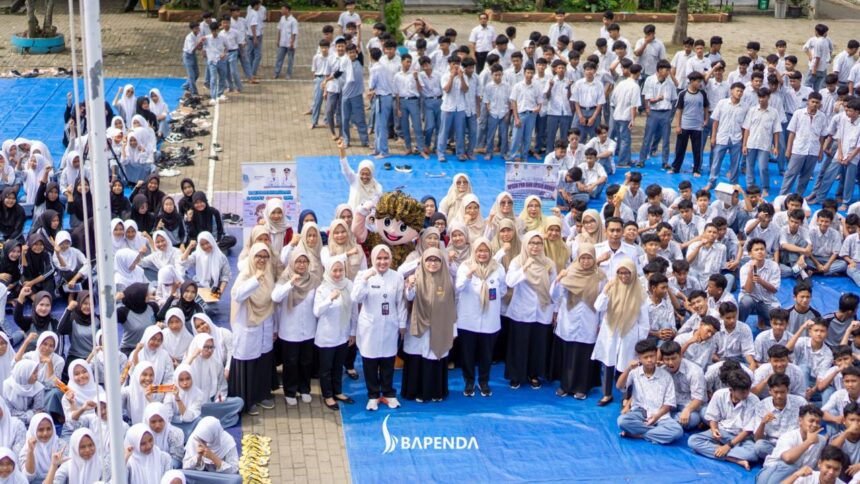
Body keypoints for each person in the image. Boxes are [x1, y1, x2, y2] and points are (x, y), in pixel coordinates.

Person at [352, 245, 406, 411]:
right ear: (373, 259)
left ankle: (388, 393)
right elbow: (356, 297)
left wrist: (402, 324)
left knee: (388, 361)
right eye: (379, 258)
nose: (382, 262)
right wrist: (364, 280)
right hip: (370, 326)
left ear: (390, 259)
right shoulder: (363, 275)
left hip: (390, 325)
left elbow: (400, 303)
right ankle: (373, 395)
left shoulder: (397, 277)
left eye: (386, 258)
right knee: (370, 362)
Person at [591, 257, 649, 406]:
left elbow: (644, 321)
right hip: (611, 331)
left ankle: (626, 397)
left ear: (633, 273)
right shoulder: (612, 288)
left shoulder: (639, 292)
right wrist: (605, 290)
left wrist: (640, 340)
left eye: (627, 273)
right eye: (620, 273)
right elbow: (598, 307)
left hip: (630, 333)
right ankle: (607, 394)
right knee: (608, 362)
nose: (623, 276)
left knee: (627, 366)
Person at [402, 248, 456, 403]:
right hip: (419, 324)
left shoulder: (447, 279)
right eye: (429, 260)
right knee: (417, 358)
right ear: (423, 261)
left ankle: (436, 392)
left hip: (440, 325)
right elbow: (409, 296)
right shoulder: (417, 276)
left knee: (435, 357)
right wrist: (410, 284)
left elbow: (451, 305)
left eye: (436, 260)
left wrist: (453, 329)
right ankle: (417, 391)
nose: (433, 263)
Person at [228, 243, 276, 416]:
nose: (262, 260)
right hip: (247, 325)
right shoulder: (246, 274)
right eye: (258, 256)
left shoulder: (268, 275)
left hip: (265, 324)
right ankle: (247, 401)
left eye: (265, 257)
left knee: (262, 363)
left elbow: (271, 300)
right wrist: (255, 279)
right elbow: (237, 295)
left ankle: (261, 395)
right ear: (252, 257)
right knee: (247, 365)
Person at [616, 339, 684, 444]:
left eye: (652, 356)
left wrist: (656, 416)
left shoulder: (666, 376)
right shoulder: (634, 373)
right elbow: (619, 386)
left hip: (661, 415)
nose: (650, 360)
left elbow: (669, 403)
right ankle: (656, 433)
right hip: (640, 413)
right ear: (639, 358)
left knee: (677, 431)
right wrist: (628, 369)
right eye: (646, 357)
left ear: (656, 354)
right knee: (622, 421)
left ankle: (639, 435)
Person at [688, 370, 760, 470]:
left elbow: (748, 430)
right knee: (693, 441)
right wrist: (714, 430)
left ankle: (717, 451)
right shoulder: (719, 395)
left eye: (748, 390)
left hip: (742, 437)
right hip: (723, 432)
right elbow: (712, 416)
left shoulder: (754, 400)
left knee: (753, 455)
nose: (747, 394)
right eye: (742, 392)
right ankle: (733, 459)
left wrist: (728, 446)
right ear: (731, 390)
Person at [313, 256, 357, 410]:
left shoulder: (349, 285)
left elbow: (354, 310)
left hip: (343, 335)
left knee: (338, 366)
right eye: (335, 270)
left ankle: (338, 392)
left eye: (340, 270)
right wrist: (329, 299)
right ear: (328, 270)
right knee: (326, 368)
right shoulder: (323, 288)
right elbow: (317, 311)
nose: (338, 274)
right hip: (327, 336)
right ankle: (328, 395)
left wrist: (353, 332)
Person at [757, 405, 827, 483]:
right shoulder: (788, 436)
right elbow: (788, 459)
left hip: (798, 477)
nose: (815, 425)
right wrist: (808, 442)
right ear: (800, 420)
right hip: (774, 471)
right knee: (789, 467)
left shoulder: (822, 441)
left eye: (818, 422)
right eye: (811, 421)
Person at [181, 418, 240, 483]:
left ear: (213, 435)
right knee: (182, 474)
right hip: (200, 477)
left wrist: (213, 457)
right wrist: (198, 457)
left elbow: (234, 470)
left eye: (204, 441)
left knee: (237, 479)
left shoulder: (227, 442)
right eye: (200, 440)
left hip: (220, 478)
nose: (202, 443)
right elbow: (185, 467)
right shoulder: (195, 439)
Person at [274, 4, 298, 80]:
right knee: (279, 58)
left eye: (282, 9)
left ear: (287, 10)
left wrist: (292, 43)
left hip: (290, 43)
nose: (281, 11)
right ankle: (276, 73)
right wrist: (278, 40)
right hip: (282, 42)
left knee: (290, 60)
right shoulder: (282, 18)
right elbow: (279, 30)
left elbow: (294, 33)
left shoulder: (293, 21)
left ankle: (288, 74)